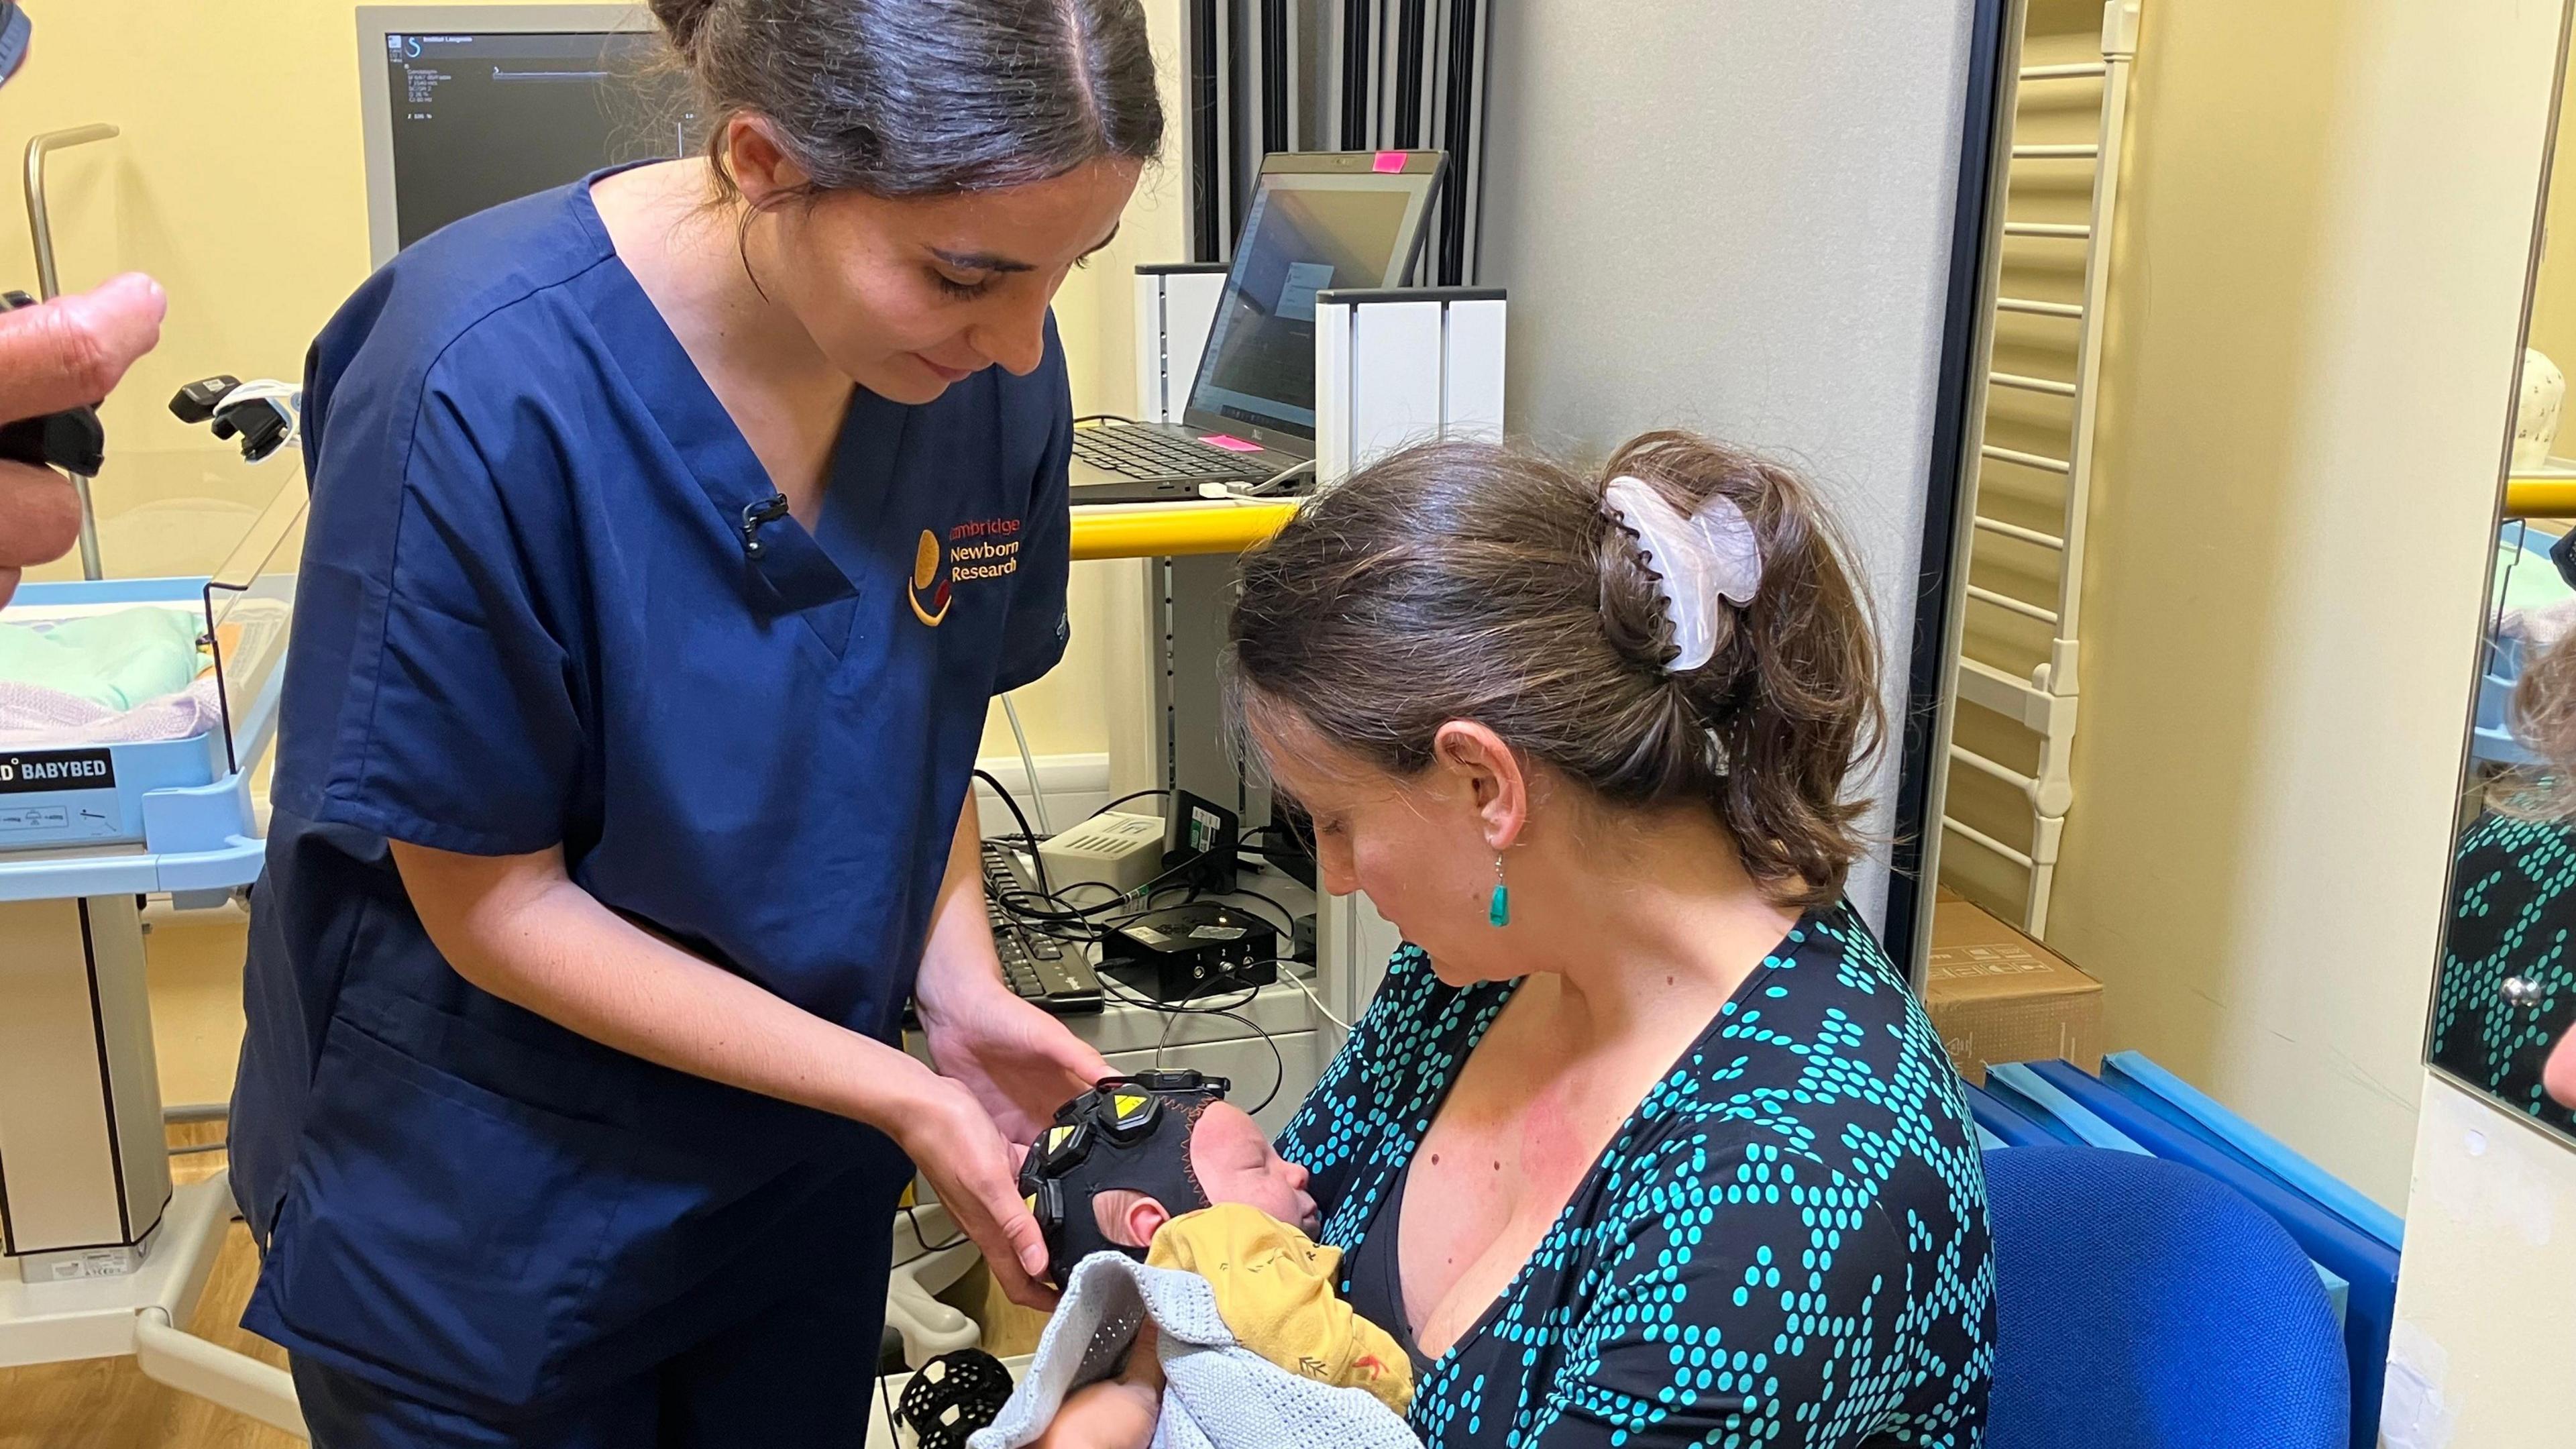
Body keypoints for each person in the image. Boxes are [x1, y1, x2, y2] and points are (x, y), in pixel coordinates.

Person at [224, 1, 1162, 1442]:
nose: (1023, 343)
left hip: (789, 1181)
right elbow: (496, 907)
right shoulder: (478, 378)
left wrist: (961, 994)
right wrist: (897, 1094)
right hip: (486, 1218)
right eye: (965, 274)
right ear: (765, 160)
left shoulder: (988, 372)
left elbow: (920, 722)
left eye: (1065, 274)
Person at [1045, 432, 1994, 1448]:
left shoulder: (1787, 1202)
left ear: (1484, 785)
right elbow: (1240, 1262)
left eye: (1336, 820)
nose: (1337, 874)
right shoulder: (1482, 964)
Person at [1013, 1073, 1412, 1433]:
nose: (1297, 1171)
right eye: (1259, 1164)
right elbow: (1316, 1344)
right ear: (1156, 1229)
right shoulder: (1216, 1237)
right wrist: (1395, 1384)